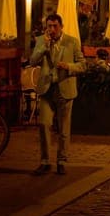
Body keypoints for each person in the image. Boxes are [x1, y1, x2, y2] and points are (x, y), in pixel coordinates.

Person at [29, 13, 86, 176]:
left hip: (64, 89)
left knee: (63, 128)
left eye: (55, 26)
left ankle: (61, 160)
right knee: (43, 124)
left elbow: (83, 65)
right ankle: (45, 161)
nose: (51, 29)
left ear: (61, 26)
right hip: (47, 89)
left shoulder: (72, 42)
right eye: (49, 26)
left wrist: (68, 66)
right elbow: (32, 61)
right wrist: (43, 47)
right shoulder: (41, 40)